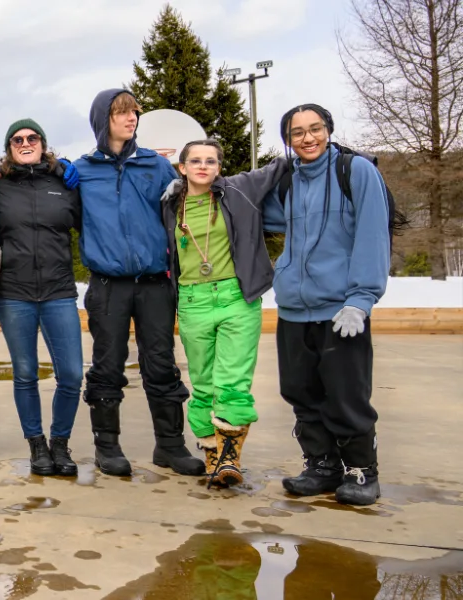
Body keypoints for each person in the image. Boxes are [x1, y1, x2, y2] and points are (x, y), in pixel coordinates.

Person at [72, 89, 204, 477]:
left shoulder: (156, 166)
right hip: (108, 285)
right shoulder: (82, 171)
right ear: (103, 120)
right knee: (107, 365)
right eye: (121, 113)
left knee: (161, 363)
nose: (131, 119)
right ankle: (107, 447)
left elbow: (188, 204)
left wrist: (184, 189)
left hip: (154, 283)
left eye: (134, 113)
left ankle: (170, 446)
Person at [267, 104, 390, 506]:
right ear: (288, 140)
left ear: (329, 130)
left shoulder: (355, 172)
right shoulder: (287, 181)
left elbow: (372, 235)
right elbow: (246, 211)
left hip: (340, 309)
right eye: (297, 132)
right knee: (301, 392)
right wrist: (194, 190)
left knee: (345, 394)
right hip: (293, 309)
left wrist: (361, 299)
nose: (307, 138)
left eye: (315, 129)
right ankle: (321, 466)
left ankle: (360, 471)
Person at [162, 139, 289, 486]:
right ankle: (211, 454)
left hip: (236, 298)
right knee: (202, 383)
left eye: (211, 161)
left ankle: (230, 459)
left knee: (232, 382)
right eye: (195, 161)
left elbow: (282, 164)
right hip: (192, 301)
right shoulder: (170, 203)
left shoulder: (239, 189)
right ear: (182, 167)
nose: (203, 166)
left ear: (219, 166)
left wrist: (346, 156)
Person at [0, 118, 84, 477]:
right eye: (17, 139)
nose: (25, 142)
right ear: (9, 148)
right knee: (26, 372)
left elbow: (91, 225)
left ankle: (60, 443)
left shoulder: (64, 184)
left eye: (32, 137)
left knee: (72, 374)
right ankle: (37, 446)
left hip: (59, 290)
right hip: (14, 292)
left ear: (43, 143)